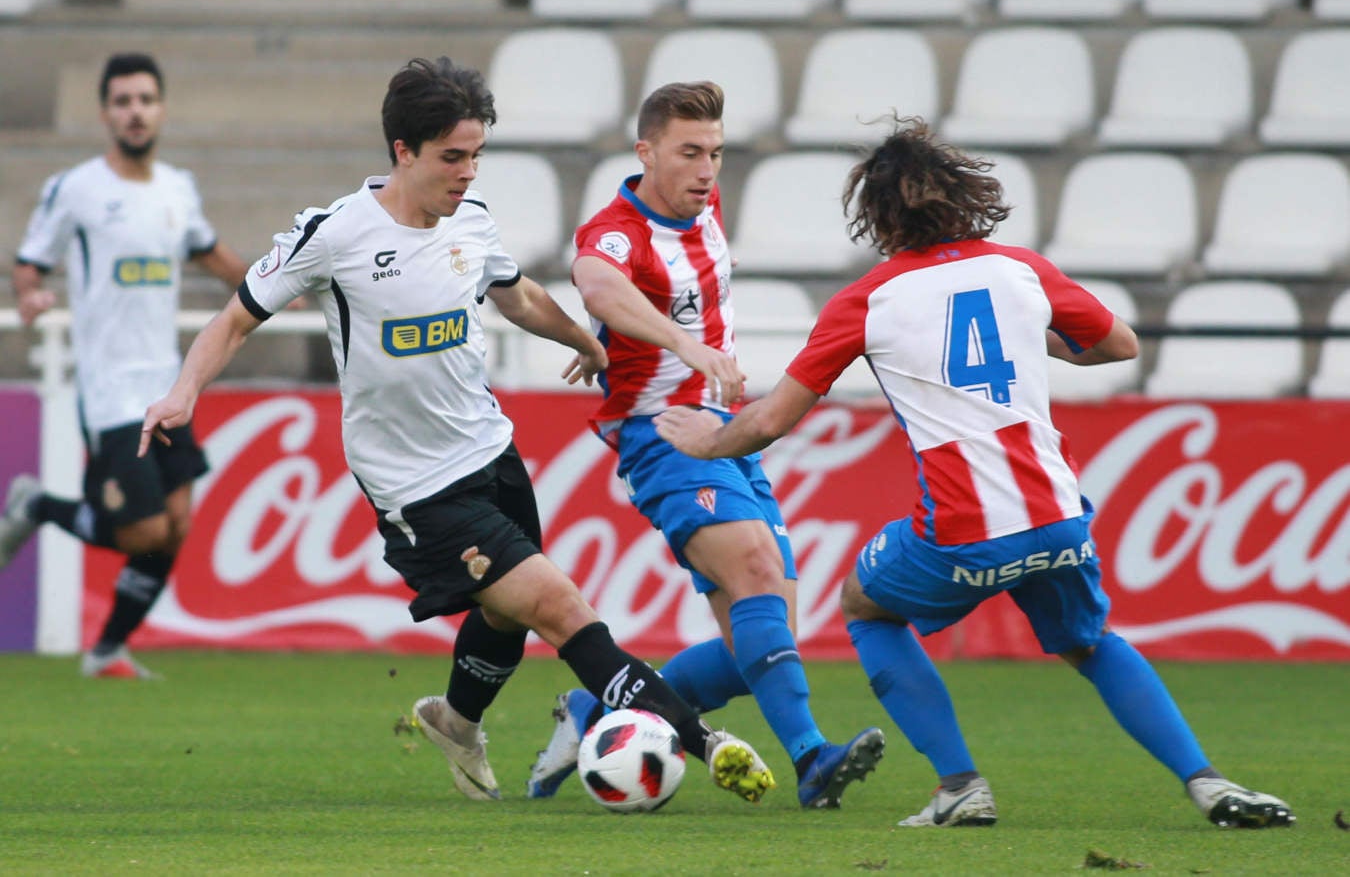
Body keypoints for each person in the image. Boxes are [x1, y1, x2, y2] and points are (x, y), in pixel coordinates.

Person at [135, 56, 774, 804]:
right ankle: (707, 744)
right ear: (403, 152)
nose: (468, 172)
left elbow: (518, 295)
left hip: (490, 450)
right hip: (413, 482)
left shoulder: (471, 221)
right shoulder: (334, 234)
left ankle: (455, 721)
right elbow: (237, 317)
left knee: (506, 615)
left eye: (476, 154)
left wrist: (581, 339)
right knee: (560, 608)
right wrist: (183, 392)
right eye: (452, 157)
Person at [653, 118, 1295, 830]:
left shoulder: (869, 300)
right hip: (1057, 515)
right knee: (1092, 641)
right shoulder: (1021, 269)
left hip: (961, 527)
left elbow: (772, 419)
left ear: (879, 215)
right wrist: (1032, 339)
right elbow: (1118, 344)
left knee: (867, 605)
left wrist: (709, 445)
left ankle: (959, 783)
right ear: (962, 197)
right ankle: (1207, 782)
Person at [525, 80, 883, 810]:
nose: (705, 170)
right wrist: (689, 349)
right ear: (645, 151)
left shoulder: (703, 204)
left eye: (715, 153)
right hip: (662, 434)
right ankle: (813, 759)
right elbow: (599, 287)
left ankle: (595, 713)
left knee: (764, 630)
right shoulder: (617, 231)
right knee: (755, 573)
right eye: (689, 153)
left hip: (725, 432)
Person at [0, 52, 249, 679]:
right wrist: (29, 292)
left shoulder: (177, 189)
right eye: (122, 101)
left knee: (178, 524)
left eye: (144, 99)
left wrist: (275, 284)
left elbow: (208, 252)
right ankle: (38, 509)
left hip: (168, 381)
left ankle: (107, 648)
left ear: (160, 108)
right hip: (109, 389)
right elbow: (30, 259)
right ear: (106, 112)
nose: (135, 112)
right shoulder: (76, 189)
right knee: (142, 532)